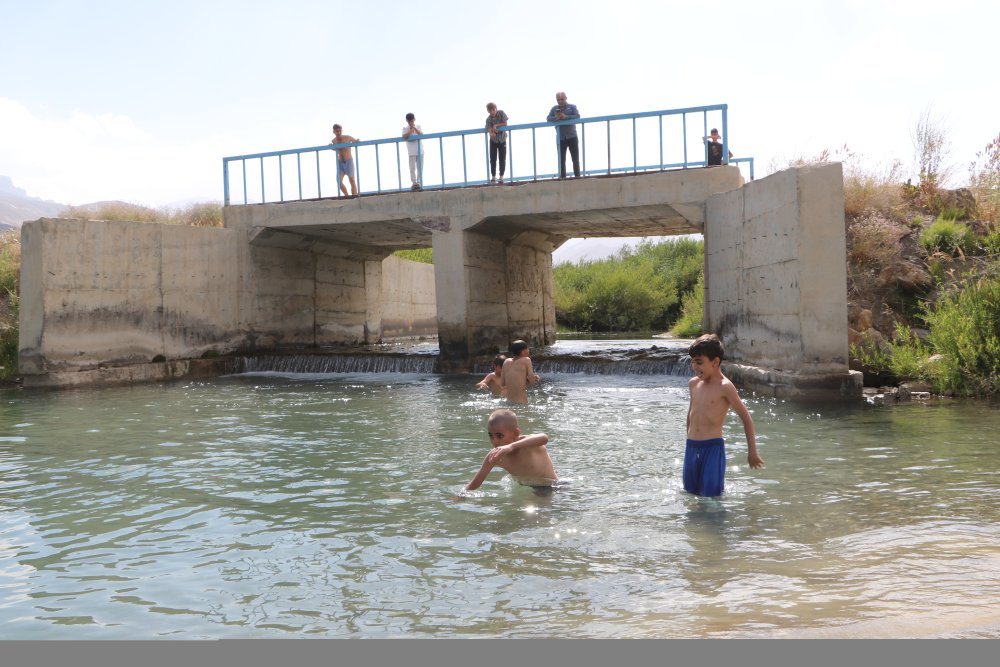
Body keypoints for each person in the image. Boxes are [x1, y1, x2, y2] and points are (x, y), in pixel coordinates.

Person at [684, 333, 764, 497]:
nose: (694, 366)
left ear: (715, 362)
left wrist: (752, 452)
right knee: (689, 493)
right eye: (692, 362)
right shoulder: (693, 384)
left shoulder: (725, 387)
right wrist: (689, 439)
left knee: (712, 496)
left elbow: (746, 418)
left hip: (712, 449)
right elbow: (691, 414)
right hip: (691, 447)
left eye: (699, 362)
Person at [465, 409, 558, 491]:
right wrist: (460, 497)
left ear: (516, 433)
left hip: (554, 487)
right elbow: (474, 484)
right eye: (491, 436)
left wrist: (511, 446)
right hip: (530, 489)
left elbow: (544, 438)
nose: (494, 441)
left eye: (499, 436)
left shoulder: (528, 444)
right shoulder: (495, 456)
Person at [546, 92, 581, 178]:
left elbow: (577, 116)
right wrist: (556, 118)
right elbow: (548, 118)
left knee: (575, 159)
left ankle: (577, 176)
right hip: (561, 138)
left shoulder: (572, 107)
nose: (560, 101)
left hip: (572, 136)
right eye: (558, 100)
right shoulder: (554, 108)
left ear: (566, 98)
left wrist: (566, 117)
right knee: (561, 160)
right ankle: (563, 177)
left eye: (562, 99)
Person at [501, 340, 540, 405]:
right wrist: (534, 378)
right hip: (521, 403)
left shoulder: (506, 361)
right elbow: (532, 381)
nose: (529, 350)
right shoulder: (526, 360)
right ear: (523, 352)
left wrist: (522, 379)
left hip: (508, 402)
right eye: (527, 349)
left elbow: (502, 383)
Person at [330, 124, 360, 197]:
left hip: (349, 161)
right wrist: (331, 147)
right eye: (337, 131)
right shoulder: (334, 141)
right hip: (340, 163)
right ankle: (346, 196)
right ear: (334, 132)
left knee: (352, 180)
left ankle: (354, 196)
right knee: (339, 181)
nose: (339, 132)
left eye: (340, 131)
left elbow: (355, 141)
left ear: (342, 130)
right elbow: (336, 149)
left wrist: (356, 140)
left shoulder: (347, 137)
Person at [485, 103, 509, 184]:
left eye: (493, 110)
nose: (492, 112)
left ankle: (501, 177)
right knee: (493, 158)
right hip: (493, 140)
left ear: (496, 108)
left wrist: (496, 125)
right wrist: (492, 132)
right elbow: (489, 131)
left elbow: (505, 123)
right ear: (488, 111)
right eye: (490, 111)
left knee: (502, 158)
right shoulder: (488, 120)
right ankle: (493, 177)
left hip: (502, 139)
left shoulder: (501, 113)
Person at [402, 113, 424, 190]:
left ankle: (419, 182)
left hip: (420, 150)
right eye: (409, 121)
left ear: (414, 119)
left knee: (420, 167)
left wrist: (414, 128)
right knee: (412, 168)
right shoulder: (405, 128)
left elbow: (421, 134)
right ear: (407, 121)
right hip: (411, 151)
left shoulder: (418, 126)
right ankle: (414, 183)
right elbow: (404, 136)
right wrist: (411, 131)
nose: (411, 123)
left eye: (412, 121)